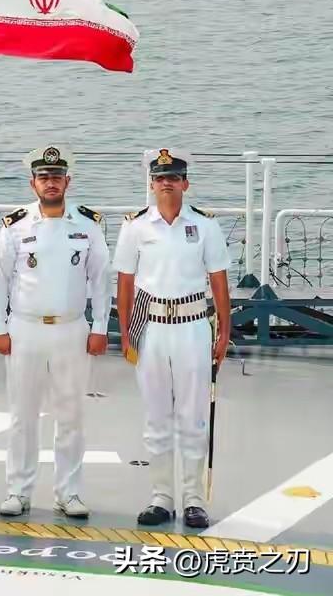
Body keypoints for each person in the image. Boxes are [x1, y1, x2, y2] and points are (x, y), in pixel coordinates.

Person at [0, 145, 110, 519]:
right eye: (44, 178)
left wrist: (100, 326)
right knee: (22, 416)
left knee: (71, 415)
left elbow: (100, 280)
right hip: (25, 329)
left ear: (67, 181)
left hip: (72, 330)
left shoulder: (87, 225)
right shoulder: (16, 226)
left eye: (56, 177)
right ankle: (18, 491)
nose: (50, 183)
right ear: (33, 183)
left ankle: (68, 493)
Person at [114, 148, 231, 529]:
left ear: (185, 183)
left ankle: (194, 499)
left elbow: (219, 282)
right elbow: (125, 283)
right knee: (156, 415)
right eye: (160, 178)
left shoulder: (205, 226)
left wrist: (224, 332)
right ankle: (161, 497)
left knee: (193, 417)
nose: (167, 183)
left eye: (174, 177)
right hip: (149, 328)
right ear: (152, 184)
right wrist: (125, 334)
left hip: (193, 325)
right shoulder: (135, 227)